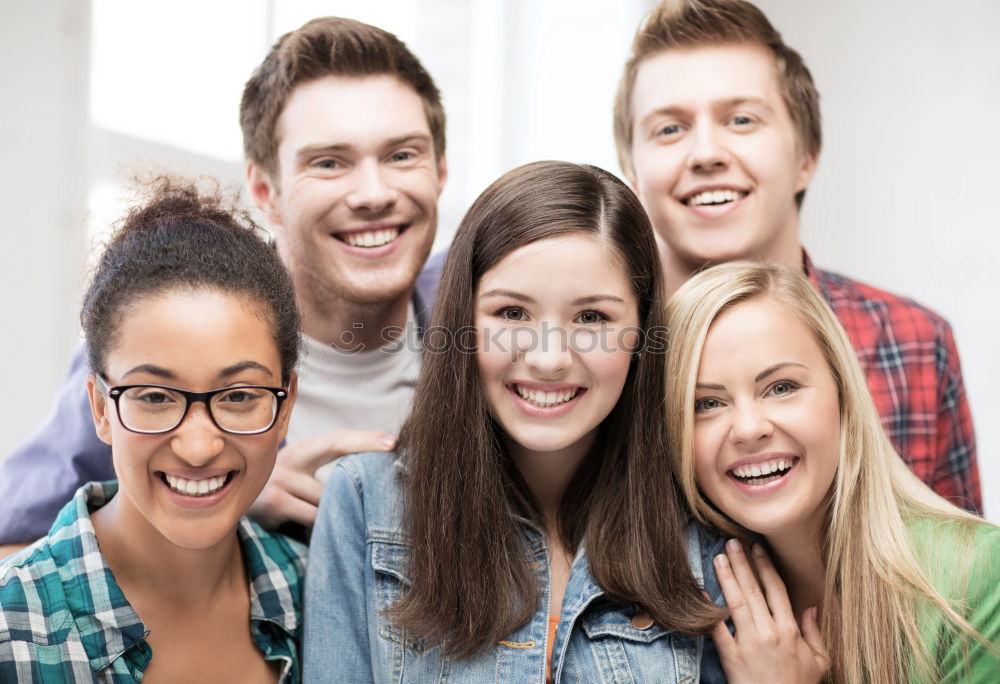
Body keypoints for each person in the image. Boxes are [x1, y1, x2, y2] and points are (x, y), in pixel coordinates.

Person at [0, 16, 449, 551]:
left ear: (440, 169)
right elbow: (12, 561)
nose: (374, 193)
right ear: (264, 188)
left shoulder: (491, 317)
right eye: (329, 163)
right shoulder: (160, 335)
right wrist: (218, 504)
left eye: (402, 155)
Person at [303, 161, 729, 682]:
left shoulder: (702, 523)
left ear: (641, 334)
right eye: (511, 314)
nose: (549, 357)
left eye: (592, 317)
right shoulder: (363, 503)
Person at [613, 0, 981, 513]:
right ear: (633, 173)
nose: (705, 154)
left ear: (805, 156)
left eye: (740, 119)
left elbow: (968, 578)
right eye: (669, 129)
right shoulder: (601, 353)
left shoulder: (916, 343)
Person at [0, 181, 307, 682]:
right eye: (155, 397)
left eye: (238, 396)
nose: (199, 446)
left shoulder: (320, 594)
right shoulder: (11, 628)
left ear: (286, 402)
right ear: (100, 407)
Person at [665, 261, 999, 683]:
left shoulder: (979, 576)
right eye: (707, 404)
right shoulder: (686, 605)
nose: (749, 429)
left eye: (781, 387)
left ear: (843, 392)